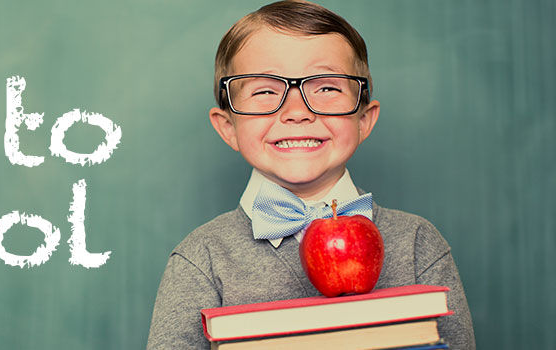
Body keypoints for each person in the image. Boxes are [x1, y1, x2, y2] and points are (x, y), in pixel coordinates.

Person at [146, 1, 476, 349]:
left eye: (326, 88)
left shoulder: (418, 244)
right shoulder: (201, 259)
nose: (297, 111)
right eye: (265, 91)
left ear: (363, 120)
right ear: (228, 127)